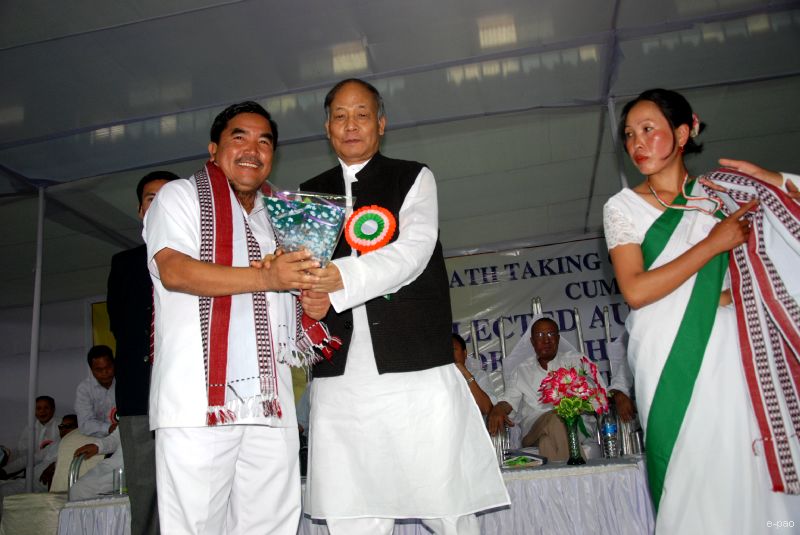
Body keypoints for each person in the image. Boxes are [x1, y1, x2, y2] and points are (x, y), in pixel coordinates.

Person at [300, 78, 509, 535]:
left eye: (361, 114)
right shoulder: (310, 194)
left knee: (445, 498)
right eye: (339, 115)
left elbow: (413, 252)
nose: (350, 124)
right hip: (341, 375)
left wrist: (338, 281)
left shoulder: (414, 177)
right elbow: (301, 271)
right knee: (351, 504)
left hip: (414, 364)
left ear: (381, 123)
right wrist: (308, 297)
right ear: (326, 126)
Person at [603, 88, 800, 533]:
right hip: (667, 353)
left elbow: (782, 239)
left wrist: (774, 180)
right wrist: (715, 244)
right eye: (630, 134)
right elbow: (634, 289)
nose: (637, 143)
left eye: (649, 130)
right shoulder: (623, 207)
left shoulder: (723, 195)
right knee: (690, 472)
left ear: (683, 131)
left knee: (741, 463)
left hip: (730, 347)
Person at [143, 101, 320, 535]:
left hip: (270, 405)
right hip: (197, 405)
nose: (252, 149)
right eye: (239, 136)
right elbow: (175, 271)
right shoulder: (179, 197)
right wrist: (268, 279)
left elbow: (297, 295)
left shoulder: (283, 214)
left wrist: (312, 300)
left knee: (272, 527)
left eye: (265, 141)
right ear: (214, 148)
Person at [107, 169, 179, 535]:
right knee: (146, 495)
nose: (161, 203)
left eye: (169, 196)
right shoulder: (124, 264)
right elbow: (121, 327)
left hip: (192, 396)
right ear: (140, 210)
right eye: (152, 198)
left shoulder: (202, 261)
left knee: (195, 491)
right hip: (140, 399)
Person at [487, 318, 592, 460]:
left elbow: (598, 395)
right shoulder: (521, 371)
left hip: (575, 427)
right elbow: (509, 401)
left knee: (547, 442)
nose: (546, 340)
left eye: (550, 334)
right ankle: (578, 476)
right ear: (532, 342)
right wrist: (498, 408)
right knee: (557, 417)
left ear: (558, 338)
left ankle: (563, 479)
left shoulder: (577, 361)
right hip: (533, 431)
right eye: (540, 336)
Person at [0, 396, 61, 493]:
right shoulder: (30, 428)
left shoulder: (61, 426)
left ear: (53, 409)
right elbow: (25, 454)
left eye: (46, 408)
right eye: (39, 408)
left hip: (49, 475)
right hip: (30, 472)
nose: (42, 411)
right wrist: (6, 470)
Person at [75, 345, 117, 438]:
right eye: (99, 370)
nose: (105, 372)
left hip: (125, 434)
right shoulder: (84, 389)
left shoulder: (125, 383)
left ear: (114, 364)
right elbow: (85, 423)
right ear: (91, 370)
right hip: (97, 439)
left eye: (108, 367)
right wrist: (109, 428)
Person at [452, 333, 495, 415]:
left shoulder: (479, 375)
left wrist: (465, 373)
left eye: (453, 349)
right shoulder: (436, 379)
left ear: (464, 353)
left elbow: (487, 409)